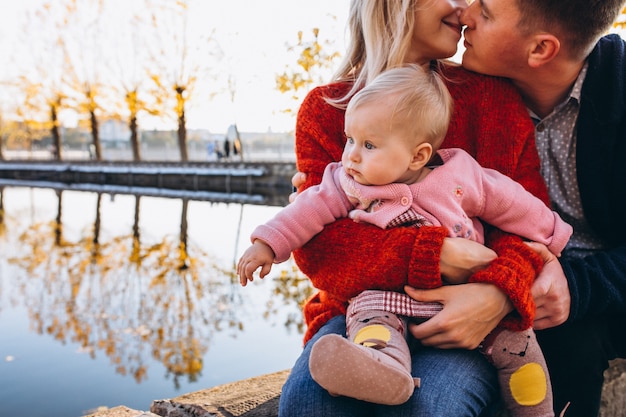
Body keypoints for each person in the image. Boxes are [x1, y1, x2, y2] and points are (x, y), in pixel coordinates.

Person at [277, 1, 559, 416]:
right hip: (356, 309)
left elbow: (524, 219)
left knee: (431, 406)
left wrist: (498, 293)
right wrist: (432, 254)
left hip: (468, 315)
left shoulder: (492, 98)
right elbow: (320, 247)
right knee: (308, 402)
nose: (462, 7)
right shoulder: (328, 109)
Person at [455, 1, 626, 416]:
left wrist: (576, 287)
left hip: (605, 289)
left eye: (487, 12)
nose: (465, 14)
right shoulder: (464, 90)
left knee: (568, 345)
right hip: (506, 276)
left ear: (540, 50)